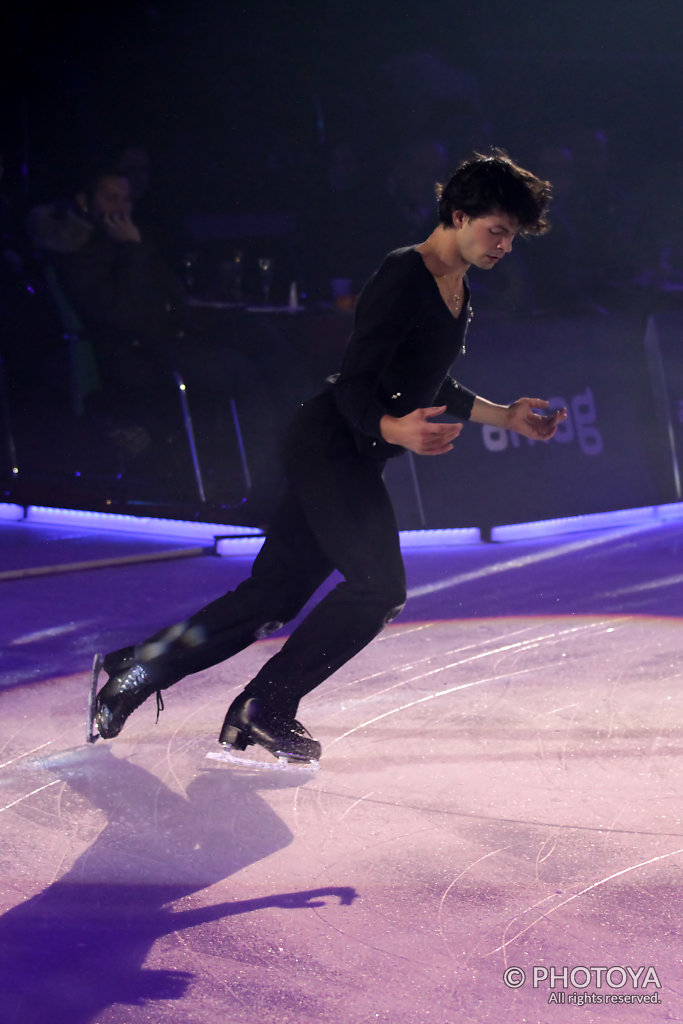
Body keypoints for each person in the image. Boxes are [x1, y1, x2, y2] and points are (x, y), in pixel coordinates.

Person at [91, 149, 567, 763]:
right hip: (329, 444)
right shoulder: (405, 273)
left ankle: (135, 670)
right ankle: (265, 706)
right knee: (378, 587)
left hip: (347, 451)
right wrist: (391, 427)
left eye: (512, 236)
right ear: (458, 213)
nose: (505, 245)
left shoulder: (457, 287)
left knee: (271, 597)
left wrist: (503, 415)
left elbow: (429, 380)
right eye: (497, 230)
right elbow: (354, 383)